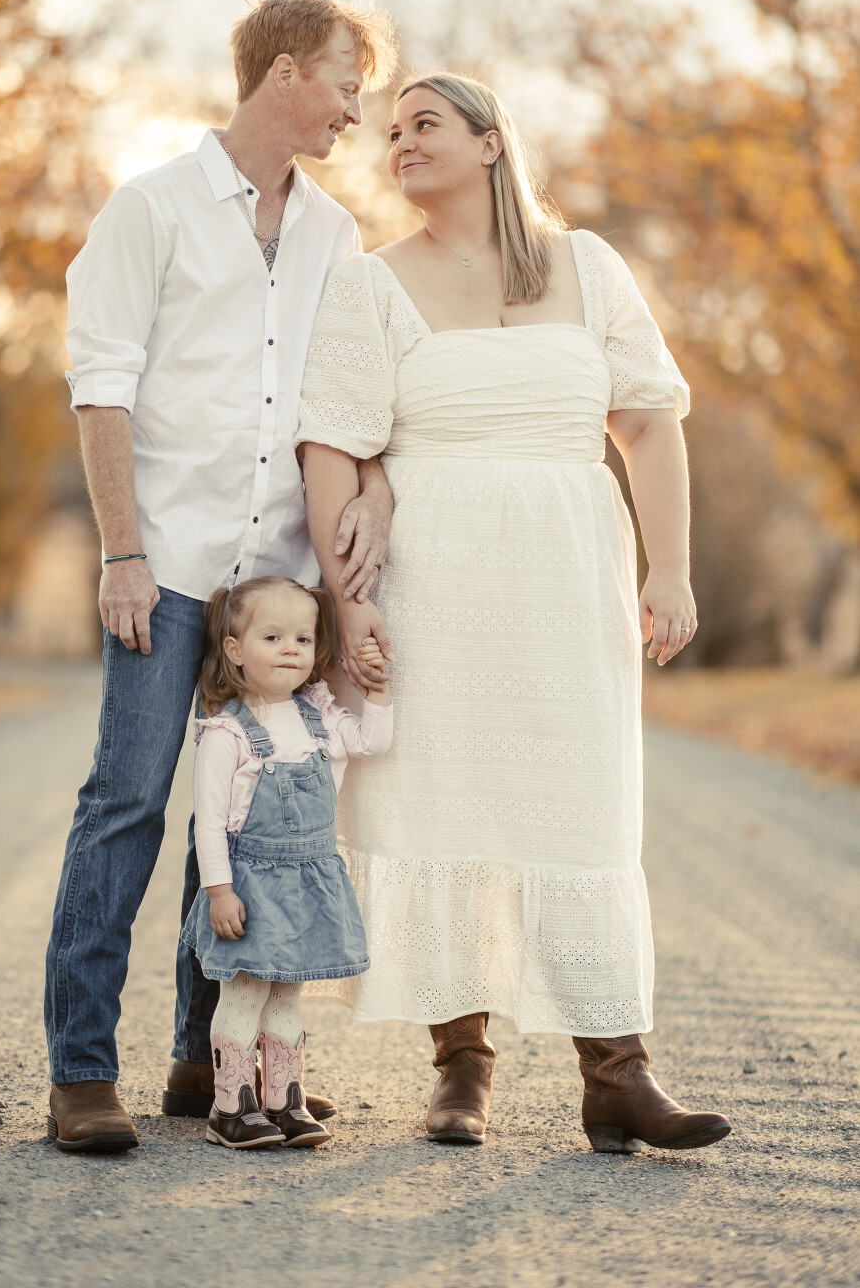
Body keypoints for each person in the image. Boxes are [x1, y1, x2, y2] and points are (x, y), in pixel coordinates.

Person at [297, 71, 732, 1153]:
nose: (400, 142)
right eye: (391, 130)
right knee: (440, 799)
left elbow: (649, 421)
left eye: (425, 124)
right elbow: (332, 450)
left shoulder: (588, 265)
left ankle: (616, 1072)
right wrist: (351, 608)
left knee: (580, 805)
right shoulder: (369, 283)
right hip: (431, 578)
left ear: (491, 143)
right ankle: (460, 1067)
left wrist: (670, 569)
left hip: (568, 574)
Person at [43, 0, 397, 1155]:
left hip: (277, 587)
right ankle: (81, 1071)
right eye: (345, 83)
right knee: (127, 806)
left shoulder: (335, 234)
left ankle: (209, 1059)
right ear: (284, 72)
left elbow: (346, 398)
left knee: (247, 822)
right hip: (169, 567)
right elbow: (102, 389)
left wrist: (371, 499)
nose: (355, 110)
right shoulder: (149, 209)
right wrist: (122, 553)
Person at [179, 576, 392, 1149]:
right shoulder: (226, 733)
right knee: (245, 993)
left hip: (307, 884)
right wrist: (219, 891)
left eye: (302, 637)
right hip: (251, 888)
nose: (290, 649)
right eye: (272, 637)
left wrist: (377, 693)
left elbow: (372, 742)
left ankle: (285, 1100)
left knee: (286, 996)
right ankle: (230, 1106)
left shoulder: (319, 718)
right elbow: (210, 824)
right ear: (234, 650)